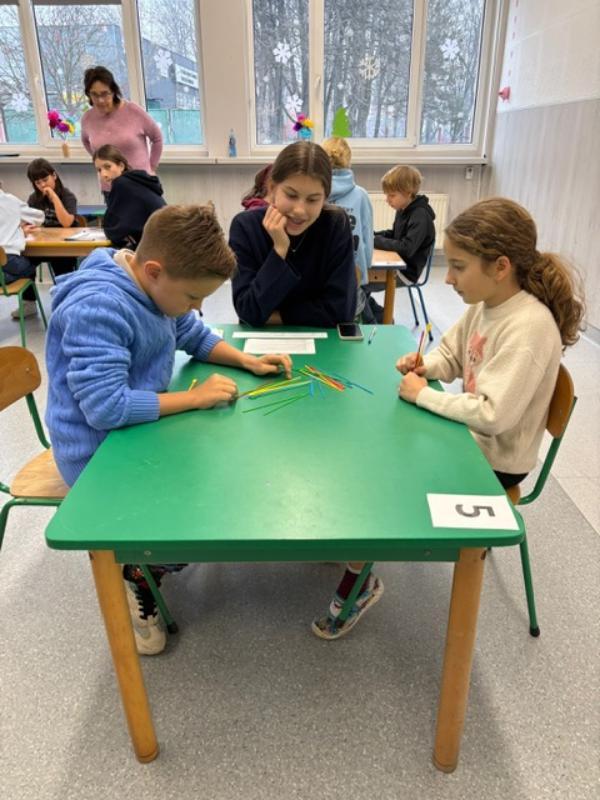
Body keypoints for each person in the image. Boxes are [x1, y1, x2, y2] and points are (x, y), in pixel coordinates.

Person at [313, 197, 585, 640]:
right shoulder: (488, 303)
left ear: (501, 266)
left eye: (458, 266)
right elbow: (453, 356)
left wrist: (423, 396)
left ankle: (359, 580)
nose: (448, 277)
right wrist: (426, 367)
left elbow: (493, 415)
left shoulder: (530, 328)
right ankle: (356, 542)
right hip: (471, 439)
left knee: (382, 472)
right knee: (375, 439)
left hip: (495, 460)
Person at [45, 204, 292, 654]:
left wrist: (247, 360)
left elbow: (191, 334)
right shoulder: (98, 308)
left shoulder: (154, 287)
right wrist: (194, 399)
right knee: (192, 514)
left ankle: (156, 556)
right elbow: (106, 408)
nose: (197, 307)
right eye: (193, 296)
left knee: (220, 473)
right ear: (155, 271)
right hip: (97, 453)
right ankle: (136, 571)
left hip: (138, 429)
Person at [229, 141, 356, 327]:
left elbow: (341, 312)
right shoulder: (245, 227)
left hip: (322, 341)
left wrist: (274, 317)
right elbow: (248, 311)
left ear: (325, 198)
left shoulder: (335, 224)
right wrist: (279, 250)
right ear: (272, 188)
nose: (299, 210)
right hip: (262, 341)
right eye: (291, 195)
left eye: (313, 200)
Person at [81, 65, 163, 197]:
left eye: (105, 94)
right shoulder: (87, 118)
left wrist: (152, 167)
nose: (100, 100)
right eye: (94, 95)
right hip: (111, 189)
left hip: (140, 184)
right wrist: (100, 162)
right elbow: (85, 141)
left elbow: (157, 137)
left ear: (113, 91)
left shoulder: (133, 111)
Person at [369, 165, 436, 322]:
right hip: (397, 265)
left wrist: (374, 241)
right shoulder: (403, 209)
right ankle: (380, 318)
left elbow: (406, 248)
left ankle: (379, 322)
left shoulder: (420, 215)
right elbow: (394, 235)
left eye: (392, 195)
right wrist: (372, 235)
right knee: (357, 284)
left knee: (358, 286)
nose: (387, 200)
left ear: (407, 193)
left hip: (406, 272)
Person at [17, 159, 81, 319]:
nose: (42, 185)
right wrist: (25, 227)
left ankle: (65, 301)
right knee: (23, 262)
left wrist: (54, 198)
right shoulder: (34, 198)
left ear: (54, 175)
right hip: (42, 244)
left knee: (62, 264)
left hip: (63, 247)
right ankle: (28, 302)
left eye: (45, 180)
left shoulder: (67, 196)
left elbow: (66, 223)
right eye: (37, 183)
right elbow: (27, 221)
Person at [321, 136, 373, 285]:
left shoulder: (314, 193)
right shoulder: (361, 195)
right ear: (348, 161)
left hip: (319, 273)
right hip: (353, 274)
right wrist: (366, 266)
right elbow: (367, 237)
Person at [93, 144, 166, 249]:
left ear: (121, 166)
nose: (104, 174)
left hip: (159, 245)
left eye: (107, 167)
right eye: (99, 170)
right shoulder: (135, 181)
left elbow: (113, 229)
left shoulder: (121, 184)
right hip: (165, 239)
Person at [0, 183, 44, 318]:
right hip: (10, 261)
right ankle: (30, 303)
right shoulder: (10, 200)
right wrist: (18, 227)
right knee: (36, 258)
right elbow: (39, 217)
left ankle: (28, 304)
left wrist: (16, 230)